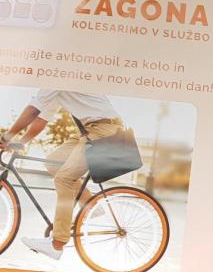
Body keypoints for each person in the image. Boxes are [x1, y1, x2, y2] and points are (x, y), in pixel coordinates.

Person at [0, 90, 125, 261]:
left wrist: (6, 137)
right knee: (53, 163)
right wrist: (20, 143)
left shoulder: (56, 79)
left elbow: (33, 110)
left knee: (64, 179)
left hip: (103, 130)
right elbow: (41, 119)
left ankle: (56, 244)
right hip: (89, 130)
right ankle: (90, 205)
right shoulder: (55, 88)